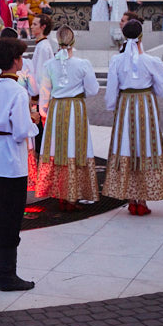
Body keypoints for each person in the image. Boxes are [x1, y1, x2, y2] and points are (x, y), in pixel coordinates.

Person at [0, 37, 38, 291]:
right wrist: (34, 121)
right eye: (20, 56)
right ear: (15, 61)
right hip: (12, 159)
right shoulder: (17, 91)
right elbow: (21, 130)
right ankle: (8, 275)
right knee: (11, 218)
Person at [101, 20, 163, 214]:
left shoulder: (117, 60)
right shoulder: (151, 61)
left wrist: (112, 106)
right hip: (145, 105)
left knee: (127, 145)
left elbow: (111, 90)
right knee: (145, 145)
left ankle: (132, 198)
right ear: (141, 37)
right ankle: (142, 200)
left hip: (125, 105)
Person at [35, 27, 100, 211]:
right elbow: (93, 89)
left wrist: (44, 111)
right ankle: (73, 194)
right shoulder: (82, 64)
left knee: (58, 148)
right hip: (75, 108)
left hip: (57, 109)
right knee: (75, 148)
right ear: (74, 42)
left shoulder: (49, 65)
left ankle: (59, 191)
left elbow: (44, 93)